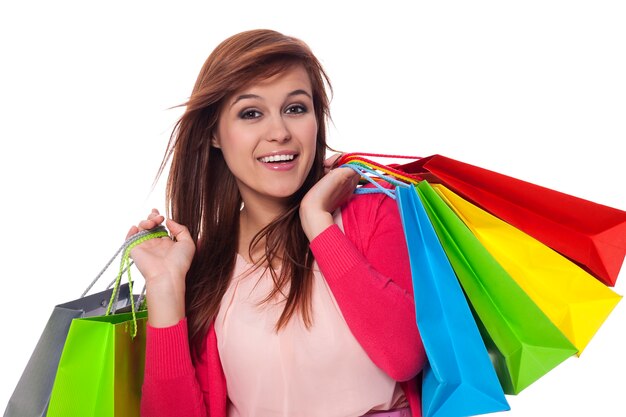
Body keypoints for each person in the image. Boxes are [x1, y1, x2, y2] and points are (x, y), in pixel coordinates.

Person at [128, 29, 425, 417]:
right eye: (251, 113)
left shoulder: (371, 213)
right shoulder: (203, 263)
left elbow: (405, 356)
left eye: (296, 108)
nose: (279, 132)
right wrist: (166, 289)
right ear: (214, 133)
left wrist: (318, 223)